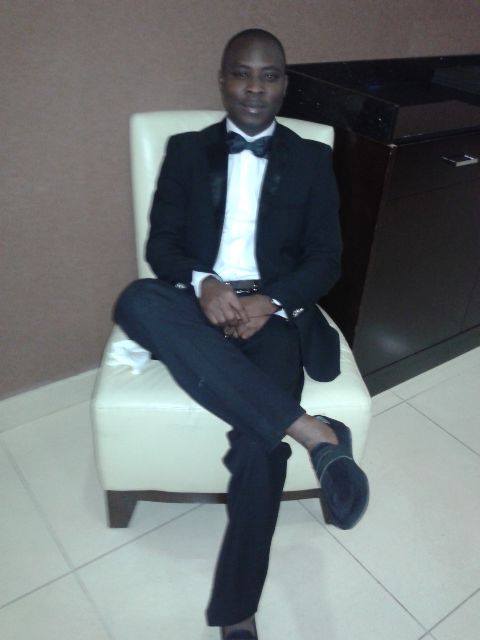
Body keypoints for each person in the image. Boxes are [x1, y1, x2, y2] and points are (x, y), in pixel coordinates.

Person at [113, 28, 369, 640]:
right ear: (223, 79)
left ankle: (237, 611)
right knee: (137, 299)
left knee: (259, 449)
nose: (255, 87)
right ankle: (314, 433)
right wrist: (203, 283)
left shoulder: (310, 159)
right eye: (242, 73)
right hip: (195, 306)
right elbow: (161, 246)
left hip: (272, 317)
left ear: (284, 84)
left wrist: (269, 300)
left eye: (269, 75)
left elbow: (326, 260)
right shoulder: (186, 151)